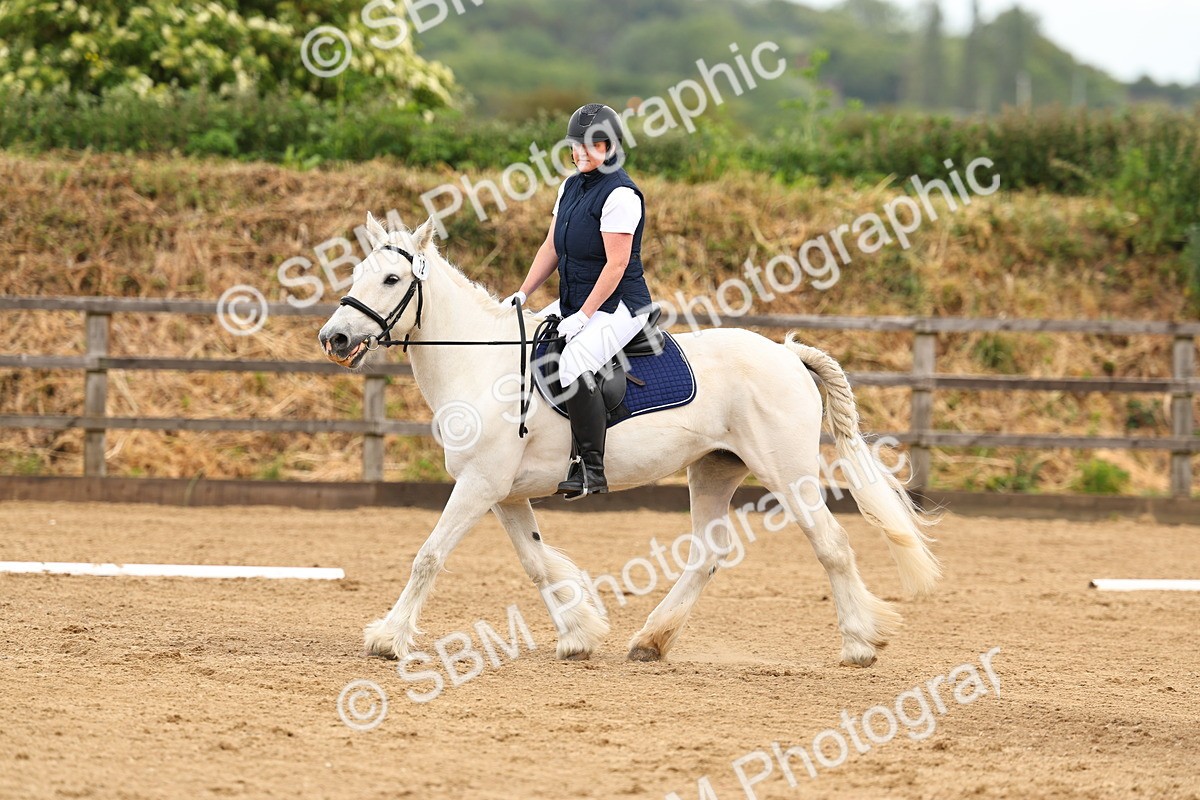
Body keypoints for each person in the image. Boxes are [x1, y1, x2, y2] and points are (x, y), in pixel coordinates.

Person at [503, 103, 654, 499]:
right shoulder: (569, 186)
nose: (583, 152)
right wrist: (523, 292)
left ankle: (590, 467)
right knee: (530, 338)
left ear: (612, 146)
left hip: (619, 304)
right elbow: (552, 246)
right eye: (577, 145)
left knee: (573, 362)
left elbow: (617, 264)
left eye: (595, 144)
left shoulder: (621, 194)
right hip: (574, 299)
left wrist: (584, 315)